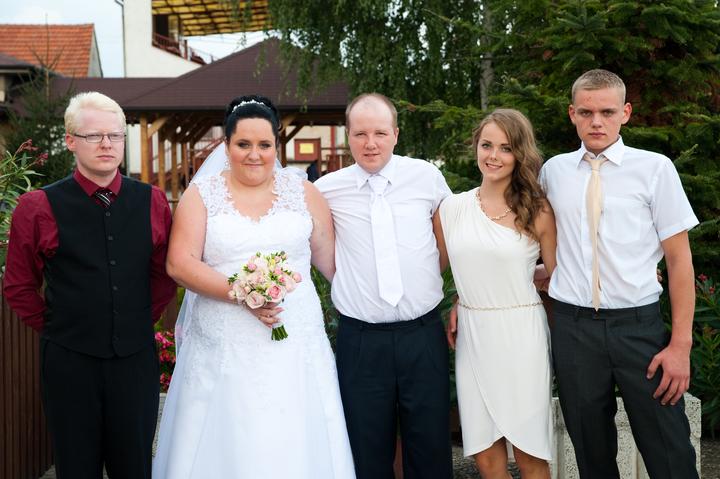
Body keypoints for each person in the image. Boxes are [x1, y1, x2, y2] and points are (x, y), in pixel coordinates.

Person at [152, 95, 355, 478]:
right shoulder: (201, 195)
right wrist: (242, 293)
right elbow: (180, 263)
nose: (254, 154)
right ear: (226, 144)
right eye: (243, 144)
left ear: (276, 145)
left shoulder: (305, 193)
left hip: (296, 339)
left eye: (264, 144)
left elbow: (332, 265)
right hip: (224, 339)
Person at [2, 91, 176, 478]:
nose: (106, 144)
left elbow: (164, 274)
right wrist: (59, 326)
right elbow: (18, 286)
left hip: (134, 360)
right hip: (69, 361)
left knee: (135, 466)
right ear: (70, 141)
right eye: (93, 136)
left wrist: (134, 319)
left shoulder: (152, 201)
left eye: (114, 135)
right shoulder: (37, 206)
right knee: (75, 466)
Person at [540, 69, 699, 478]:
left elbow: (679, 260)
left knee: (670, 450)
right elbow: (545, 244)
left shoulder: (655, 169)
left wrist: (680, 345)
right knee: (590, 451)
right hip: (574, 329)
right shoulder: (553, 172)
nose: (597, 122)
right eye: (586, 112)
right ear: (572, 114)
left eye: (607, 112)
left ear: (625, 113)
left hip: (638, 327)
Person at [315, 93, 453, 479]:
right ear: (348, 136)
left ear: (396, 134)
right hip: (361, 341)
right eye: (360, 134)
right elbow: (320, 248)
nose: (370, 143)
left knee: (430, 446)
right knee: (366, 450)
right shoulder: (327, 189)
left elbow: (444, 241)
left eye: (379, 133)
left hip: (422, 334)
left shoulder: (426, 177)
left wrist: (423, 281)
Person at [436, 109, 556, 479]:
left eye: (505, 148)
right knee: (486, 455)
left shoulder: (537, 210)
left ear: (520, 153)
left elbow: (560, 276)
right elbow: (432, 272)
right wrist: (458, 299)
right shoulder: (451, 208)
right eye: (487, 145)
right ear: (476, 146)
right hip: (473, 334)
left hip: (522, 335)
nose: (494, 156)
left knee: (530, 453)